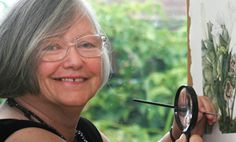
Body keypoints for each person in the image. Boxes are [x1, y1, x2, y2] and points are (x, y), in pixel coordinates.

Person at [0, 0, 216, 142]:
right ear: (18, 53)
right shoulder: (26, 137)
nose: (75, 61)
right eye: (52, 47)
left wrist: (178, 130)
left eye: (86, 45)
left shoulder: (80, 130)